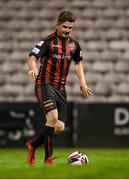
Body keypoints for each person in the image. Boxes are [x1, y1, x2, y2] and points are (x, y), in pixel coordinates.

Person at [26, 10, 92, 165]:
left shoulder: (74, 45)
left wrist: (83, 82)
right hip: (45, 84)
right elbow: (32, 57)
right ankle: (48, 159)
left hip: (60, 88)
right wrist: (33, 67)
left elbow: (78, 63)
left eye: (70, 28)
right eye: (65, 27)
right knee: (53, 118)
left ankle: (33, 145)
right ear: (58, 24)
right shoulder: (47, 42)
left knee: (60, 127)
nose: (67, 30)